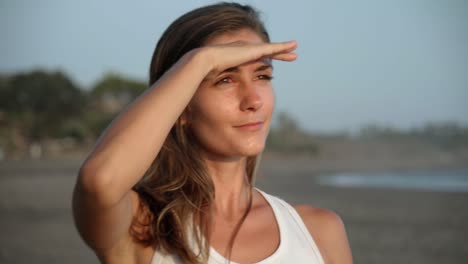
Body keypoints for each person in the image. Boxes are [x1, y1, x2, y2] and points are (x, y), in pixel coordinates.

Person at [72, 2, 353, 264]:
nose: (253, 100)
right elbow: (100, 180)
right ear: (181, 106)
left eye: (262, 76)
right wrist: (201, 61)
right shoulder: (142, 226)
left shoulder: (319, 231)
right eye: (225, 79)